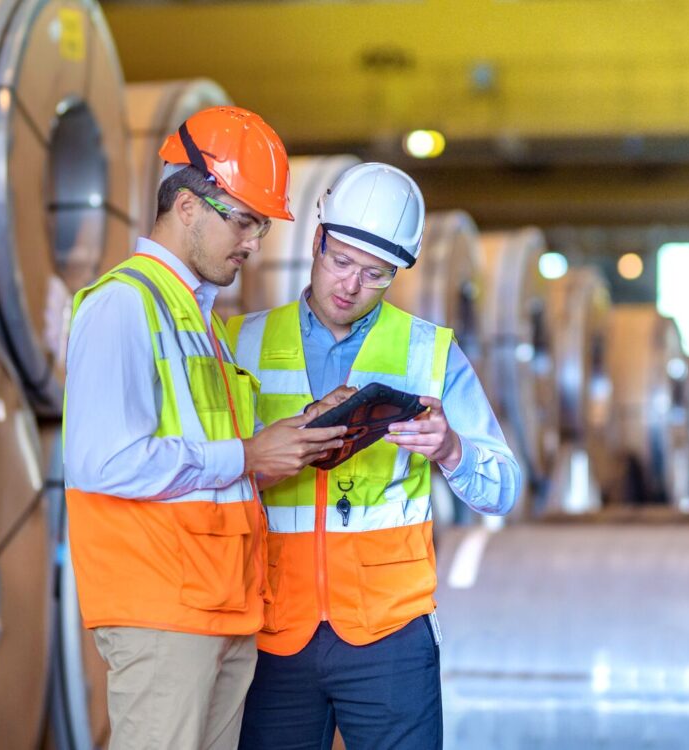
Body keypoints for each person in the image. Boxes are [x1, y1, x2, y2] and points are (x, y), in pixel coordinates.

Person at [62, 106, 347, 750]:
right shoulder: (124, 304)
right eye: (244, 220)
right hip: (163, 612)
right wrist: (248, 454)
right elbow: (102, 461)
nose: (253, 243)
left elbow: (217, 465)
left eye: (261, 227)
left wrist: (298, 436)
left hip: (219, 608)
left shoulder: (199, 320)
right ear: (187, 205)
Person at [226, 162, 521, 750]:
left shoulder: (430, 351)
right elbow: (206, 474)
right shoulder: (240, 342)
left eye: (375, 273)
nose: (350, 285)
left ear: (397, 272)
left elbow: (504, 489)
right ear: (317, 240)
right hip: (271, 627)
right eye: (340, 261)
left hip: (390, 633)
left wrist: (452, 450)